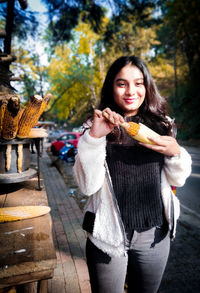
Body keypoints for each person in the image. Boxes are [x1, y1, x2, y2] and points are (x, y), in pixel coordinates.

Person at [73, 56, 192, 293]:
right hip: (107, 236)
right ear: (111, 87)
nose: (131, 91)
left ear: (147, 87)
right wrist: (95, 139)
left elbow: (177, 179)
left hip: (154, 235)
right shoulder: (95, 125)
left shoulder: (163, 125)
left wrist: (176, 153)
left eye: (138, 83)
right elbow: (87, 187)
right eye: (122, 83)